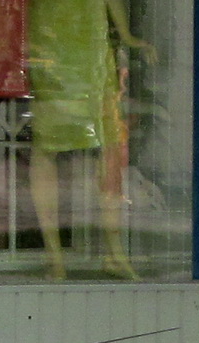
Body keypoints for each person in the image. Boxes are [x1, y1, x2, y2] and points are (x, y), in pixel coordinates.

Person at [26, 0, 152, 279]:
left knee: (107, 147)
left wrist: (127, 35)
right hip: (48, 45)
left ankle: (114, 252)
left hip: (91, 48)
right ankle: (56, 256)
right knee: (47, 146)